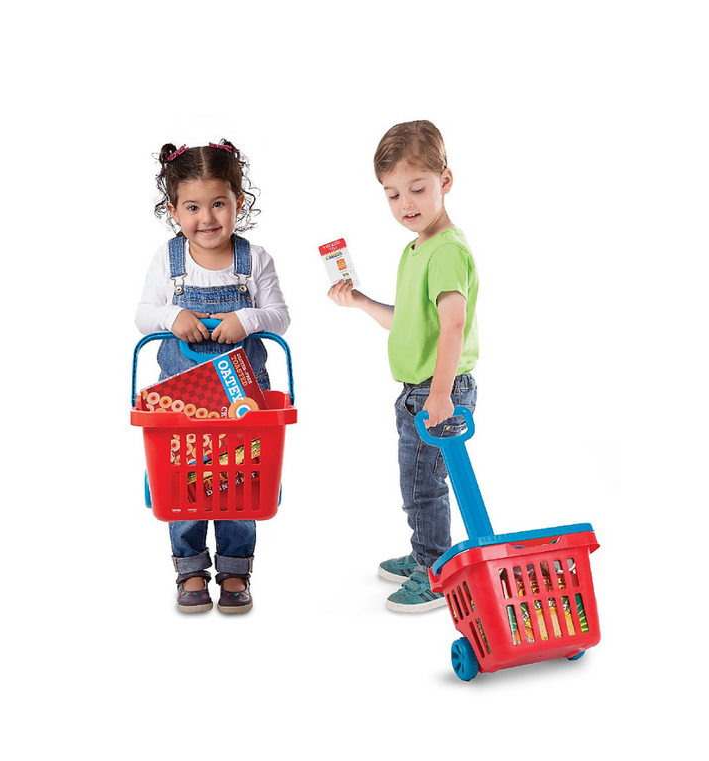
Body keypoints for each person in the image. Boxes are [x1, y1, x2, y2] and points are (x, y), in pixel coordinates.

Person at [328, 120, 479, 612]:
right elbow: (410, 323)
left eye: (417, 189)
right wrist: (361, 302)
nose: (406, 204)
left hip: (437, 388)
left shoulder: (448, 251)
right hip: (418, 389)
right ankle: (424, 552)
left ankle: (434, 569)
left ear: (445, 181)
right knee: (417, 479)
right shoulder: (416, 249)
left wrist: (440, 394)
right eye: (392, 194)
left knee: (423, 482)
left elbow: (452, 327)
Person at [136, 140, 290, 614]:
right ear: (174, 210)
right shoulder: (169, 261)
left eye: (218, 204)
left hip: (242, 401)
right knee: (184, 482)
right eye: (193, 207)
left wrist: (247, 320)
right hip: (181, 405)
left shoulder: (255, 260)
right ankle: (190, 567)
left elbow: (280, 316)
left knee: (239, 481)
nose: (207, 218)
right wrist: (171, 315)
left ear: (238, 203)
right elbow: (143, 316)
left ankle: (235, 568)